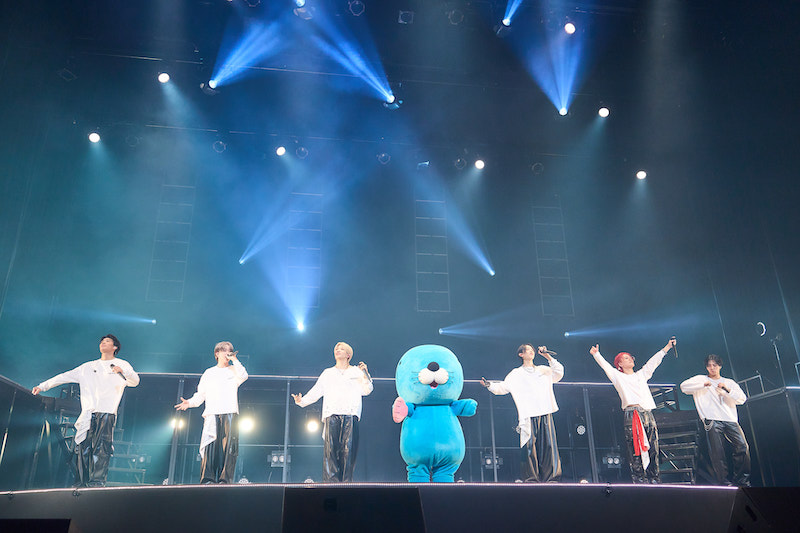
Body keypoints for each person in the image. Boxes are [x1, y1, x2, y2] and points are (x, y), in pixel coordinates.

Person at [32, 334, 139, 487]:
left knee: (101, 448)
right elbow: (64, 376)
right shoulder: (87, 367)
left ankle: (97, 482)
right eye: (102, 341)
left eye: (107, 341)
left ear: (115, 347)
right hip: (88, 412)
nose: (103, 343)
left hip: (107, 412)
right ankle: (80, 482)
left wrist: (124, 372)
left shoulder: (121, 364)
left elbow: (135, 381)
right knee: (83, 447)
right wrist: (42, 386)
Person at [589, 338, 676, 483]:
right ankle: (639, 481)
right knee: (636, 449)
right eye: (625, 358)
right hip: (632, 413)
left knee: (653, 447)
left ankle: (654, 479)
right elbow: (606, 367)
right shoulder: (618, 377)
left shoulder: (641, 375)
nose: (629, 359)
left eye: (630, 357)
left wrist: (667, 347)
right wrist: (596, 354)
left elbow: (653, 362)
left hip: (647, 412)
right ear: (619, 364)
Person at [481, 344, 564, 482]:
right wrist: (489, 385)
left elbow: (559, 372)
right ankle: (531, 479)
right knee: (529, 447)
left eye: (532, 350)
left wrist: (547, 356)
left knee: (549, 446)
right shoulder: (516, 374)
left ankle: (552, 479)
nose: (531, 352)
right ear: (521, 354)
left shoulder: (543, 370)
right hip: (528, 414)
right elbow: (503, 387)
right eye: (528, 350)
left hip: (545, 411)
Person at [292, 342, 373, 482]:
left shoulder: (357, 372)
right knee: (331, 455)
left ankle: (346, 486)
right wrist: (301, 401)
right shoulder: (327, 373)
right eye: (336, 349)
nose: (338, 350)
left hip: (350, 415)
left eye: (341, 349)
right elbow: (317, 391)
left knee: (348, 454)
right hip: (332, 415)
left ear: (348, 355)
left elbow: (368, 390)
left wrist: (366, 374)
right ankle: (330, 487)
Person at [174, 341, 248, 484]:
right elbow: (201, 394)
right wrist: (189, 403)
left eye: (229, 350)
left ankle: (225, 480)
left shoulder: (234, 370)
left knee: (229, 448)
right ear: (217, 353)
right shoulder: (209, 373)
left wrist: (235, 360)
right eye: (224, 350)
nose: (227, 353)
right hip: (212, 412)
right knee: (210, 446)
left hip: (230, 412)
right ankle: (208, 479)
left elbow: (244, 376)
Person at [680, 354, 750, 486]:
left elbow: (742, 399)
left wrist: (727, 390)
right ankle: (724, 482)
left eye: (715, 365)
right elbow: (683, 387)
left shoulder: (729, 382)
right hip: (711, 419)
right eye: (709, 365)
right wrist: (702, 385)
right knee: (717, 452)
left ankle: (742, 480)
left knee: (742, 446)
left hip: (730, 419)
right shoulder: (701, 379)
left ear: (720, 366)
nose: (712, 368)